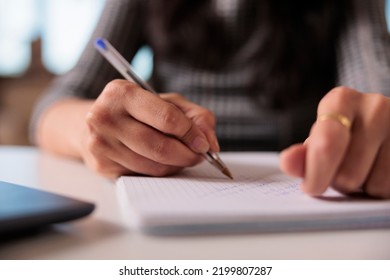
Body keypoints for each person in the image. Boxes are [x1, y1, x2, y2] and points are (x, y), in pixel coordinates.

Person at [30, 0, 390, 198]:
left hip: (297, 179)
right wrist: (93, 132)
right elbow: (53, 108)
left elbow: (375, 90)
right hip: (171, 187)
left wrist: (368, 127)